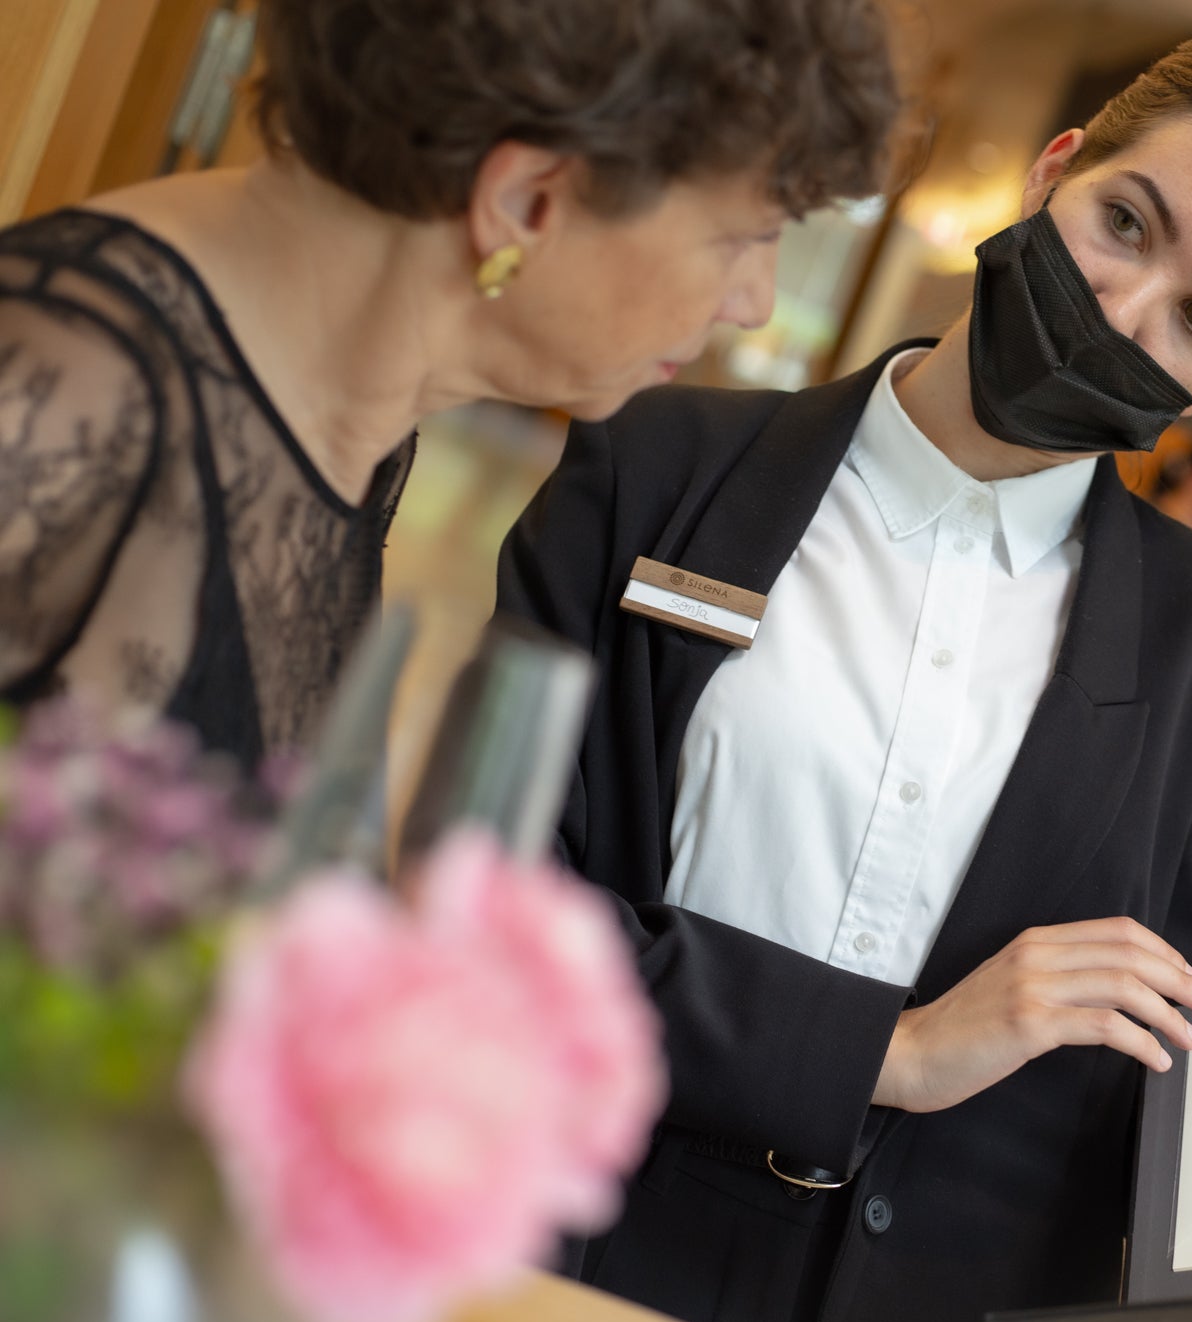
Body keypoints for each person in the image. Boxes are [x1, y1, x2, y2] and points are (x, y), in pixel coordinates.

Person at [496, 36, 1192, 1322]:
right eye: (1127, 224)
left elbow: (1179, 1090)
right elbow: (486, 912)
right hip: (565, 1259)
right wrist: (888, 1049)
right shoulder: (658, 469)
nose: (1123, 311)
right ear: (1053, 172)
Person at [0, 0, 899, 769]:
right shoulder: (56, 403)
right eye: (745, 237)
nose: (755, 303)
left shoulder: (363, 423)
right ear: (522, 202)